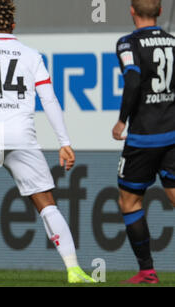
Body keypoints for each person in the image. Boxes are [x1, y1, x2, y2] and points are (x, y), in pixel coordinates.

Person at [0, 0, 96, 283]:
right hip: (23, 135)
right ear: (13, 26)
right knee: (46, 202)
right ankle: (74, 270)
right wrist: (64, 141)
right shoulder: (31, 54)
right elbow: (49, 99)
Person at [112, 0, 175, 284]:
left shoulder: (128, 44)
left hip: (144, 136)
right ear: (160, 11)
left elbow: (134, 81)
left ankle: (147, 271)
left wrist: (122, 119)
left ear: (132, 11)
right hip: (173, 133)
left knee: (129, 200)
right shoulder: (173, 42)